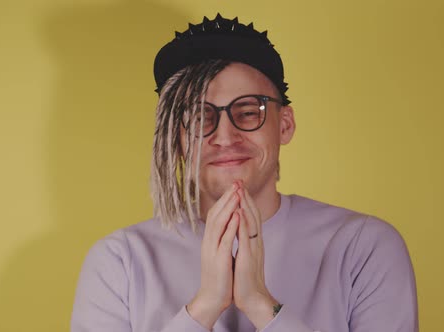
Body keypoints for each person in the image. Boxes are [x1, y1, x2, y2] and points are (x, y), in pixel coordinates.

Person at [70, 14, 418, 332]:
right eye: (197, 117)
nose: (224, 136)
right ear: (174, 140)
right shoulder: (119, 262)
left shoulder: (363, 248)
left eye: (249, 111)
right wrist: (204, 307)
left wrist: (260, 303)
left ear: (284, 125)